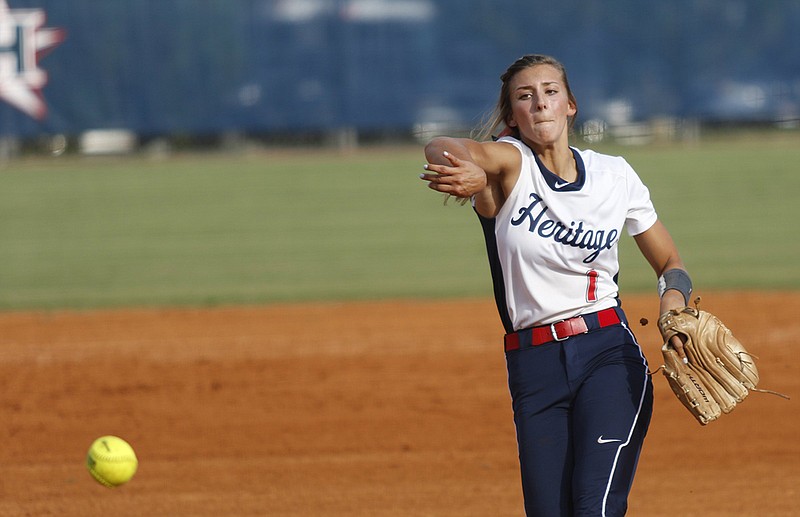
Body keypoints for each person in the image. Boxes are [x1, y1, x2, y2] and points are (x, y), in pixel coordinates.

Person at [419, 54, 692, 516]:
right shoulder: (509, 166)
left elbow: (670, 261)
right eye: (525, 96)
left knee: (595, 508)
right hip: (534, 365)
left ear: (570, 105)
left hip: (609, 354)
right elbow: (441, 145)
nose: (540, 104)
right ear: (512, 115)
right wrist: (464, 167)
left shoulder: (616, 175)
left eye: (550, 92)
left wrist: (673, 304)